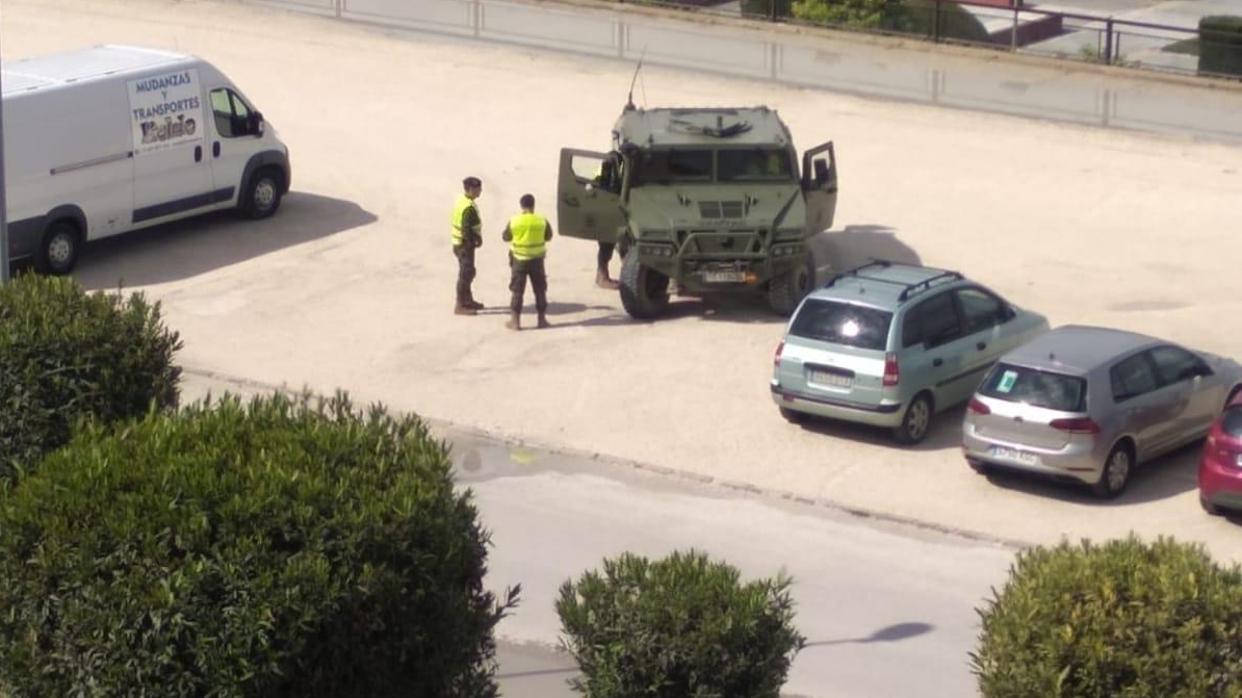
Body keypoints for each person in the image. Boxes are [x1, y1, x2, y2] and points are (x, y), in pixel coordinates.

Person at [502, 193, 553, 331]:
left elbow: (506, 236)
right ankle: (541, 320)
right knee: (540, 290)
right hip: (537, 261)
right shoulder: (541, 220)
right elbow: (549, 236)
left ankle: (515, 322)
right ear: (533, 205)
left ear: (521, 206)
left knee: (517, 291)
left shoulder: (514, 220)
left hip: (519, 260)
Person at [450, 176, 484, 315]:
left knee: (469, 272)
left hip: (460, 244)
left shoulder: (463, 200)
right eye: (477, 189)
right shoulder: (468, 208)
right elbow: (466, 229)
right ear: (470, 189)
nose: (480, 191)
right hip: (464, 245)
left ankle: (468, 300)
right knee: (466, 274)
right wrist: (474, 241)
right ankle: (460, 305)